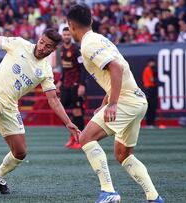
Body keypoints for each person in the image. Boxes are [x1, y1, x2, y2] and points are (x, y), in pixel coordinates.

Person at [0, 29, 80, 194]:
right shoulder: (19, 44)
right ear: (38, 39)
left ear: (53, 50)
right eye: (41, 42)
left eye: (48, 47)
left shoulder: (46, 71)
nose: (41, 48)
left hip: (10, 106)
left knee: (20, 152)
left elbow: (53, 99)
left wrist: (68, 122)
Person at [66, 4, 163, 203]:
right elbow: (116, 74)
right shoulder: (101, 39)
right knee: (123, 154)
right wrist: (106, 101)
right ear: (91, 21)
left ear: (71, 26)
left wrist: (113, 104)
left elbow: (116, 68)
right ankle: (154, 198)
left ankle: (108, 192)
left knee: (85, 138)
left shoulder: (88, 43)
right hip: (137, 100)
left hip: (125, 101)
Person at [56, 27, 86, 149]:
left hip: (76, 84)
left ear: (71, 36)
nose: (66, 36)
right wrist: (60, 81)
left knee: (77, 111)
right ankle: (73, 137)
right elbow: (64, 68)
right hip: (65, 85)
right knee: (64, 112)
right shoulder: (61, 49)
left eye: (68, 34)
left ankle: (81, 139)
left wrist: (82, 84)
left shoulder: (76, 49)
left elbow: (83, 68)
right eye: (64, 34)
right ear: (62, 36)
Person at [142, 59, 158, 128]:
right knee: (151, 106)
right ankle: (150, 123)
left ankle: (151, 123)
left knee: (152, 106)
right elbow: (152, 79)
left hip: (151, 89)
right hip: (150, 89)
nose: (153, 64)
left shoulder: (149, 69)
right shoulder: (148, 69)